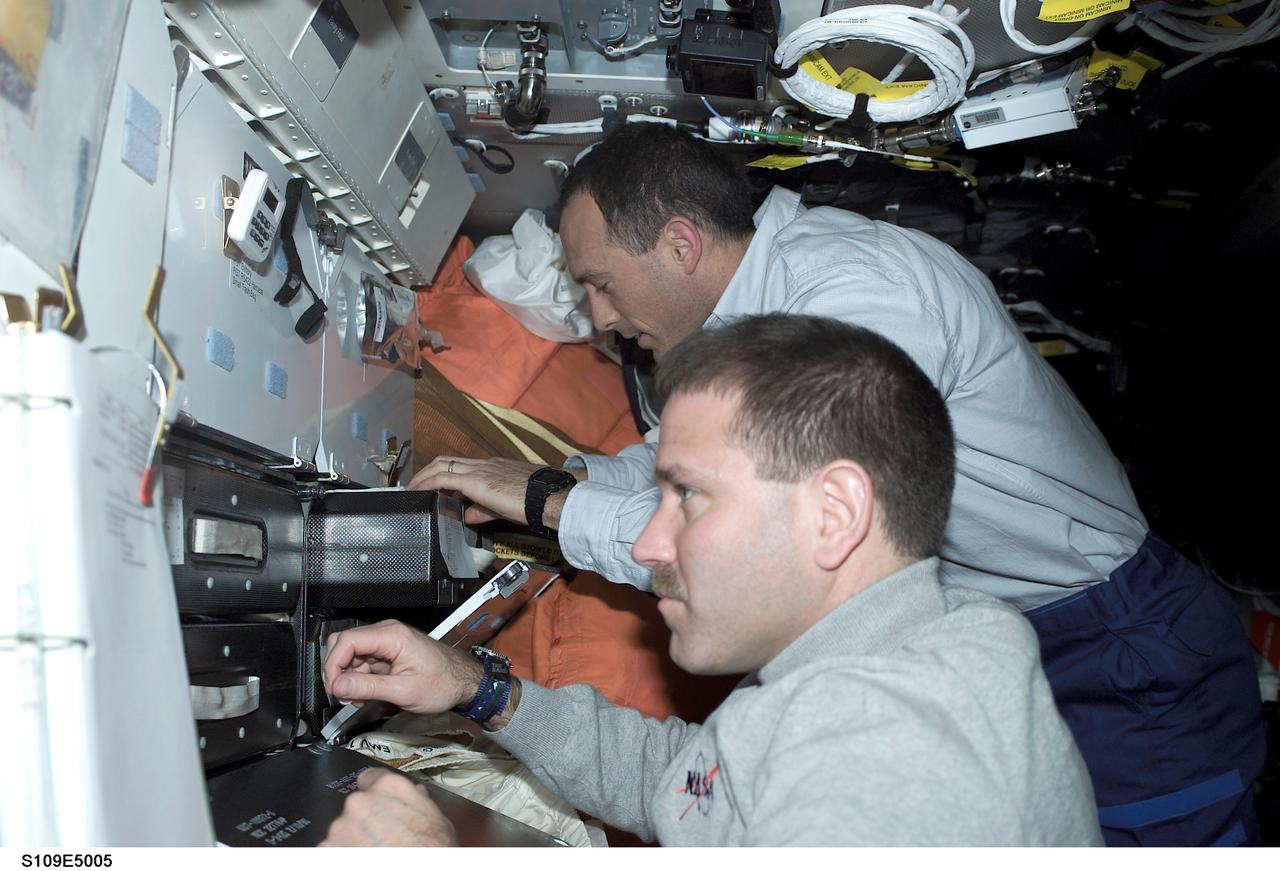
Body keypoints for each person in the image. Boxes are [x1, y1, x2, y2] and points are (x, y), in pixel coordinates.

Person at [409, 124, 1265, 846]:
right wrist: (561, 480)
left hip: (1114, 642)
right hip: (1001, 623)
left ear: (680, 244)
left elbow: (764, 541)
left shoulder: (855, 295)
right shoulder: (758, 322)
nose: (598, 316)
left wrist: (552, 507)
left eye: (600, 283)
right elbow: (677, 455)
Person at [322, 315, 1102, 847]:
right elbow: (687, 782)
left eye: (688, 495)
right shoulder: (900, 648)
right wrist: (477, 686)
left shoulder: (886, 760)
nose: (650, 542)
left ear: (834, 513)